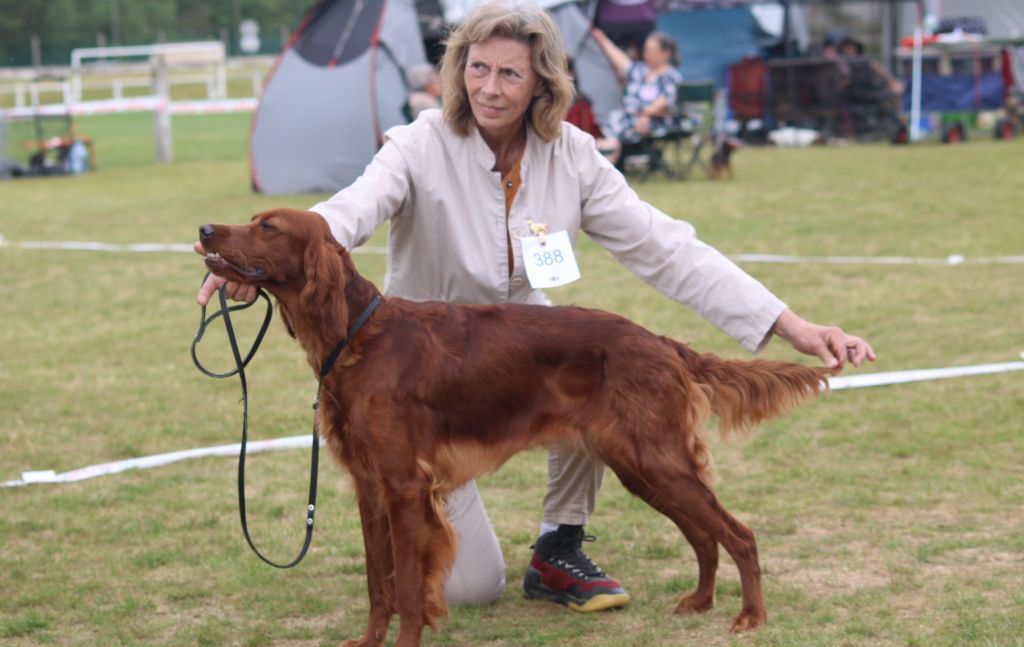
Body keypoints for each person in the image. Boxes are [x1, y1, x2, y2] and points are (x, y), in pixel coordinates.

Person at [196, 0, 874, 614]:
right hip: (425, 372)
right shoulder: (417, 143)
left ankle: (559, 545)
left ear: (542, 84)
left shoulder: (573, 156)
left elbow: (668, 249)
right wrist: (265, 260)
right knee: (469, 587)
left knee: (587, 377)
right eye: (478, 69)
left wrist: (789, 324)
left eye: (510, 75)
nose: (490, 88)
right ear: (458, 71)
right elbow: (350, 210)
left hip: (528, 348)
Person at [591, 28, 684, 148]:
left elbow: (665, 100)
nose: (646, 54)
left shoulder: (671, 76)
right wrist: (602, 39)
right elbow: (620, 60)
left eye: (651, 51)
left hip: (654, 122)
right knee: (610, 124)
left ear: (666, 54)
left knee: (610, 140)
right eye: (646, 49)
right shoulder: (639, 71)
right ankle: (607, 150)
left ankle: (606, 150)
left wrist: (646, 114)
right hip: (626, 119)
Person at [564, 57, 621, 163]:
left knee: (613, 143)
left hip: (574, 142)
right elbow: (586, 131)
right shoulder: (581, 102)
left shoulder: (580, 100)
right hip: (576, 143)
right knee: (613, 144)